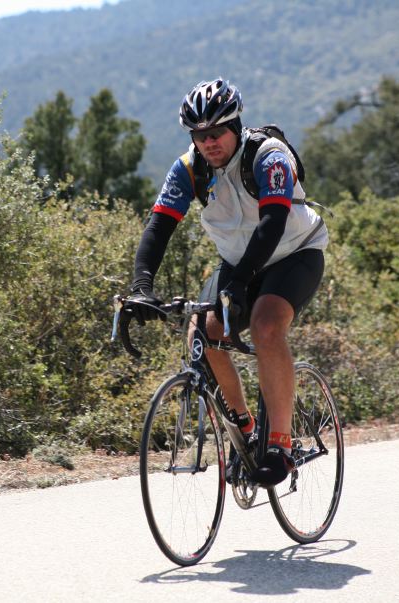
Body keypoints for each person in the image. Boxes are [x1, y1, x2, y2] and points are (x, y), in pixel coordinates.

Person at [126, 78, 328, 486]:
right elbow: (159, 227)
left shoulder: (269, 157)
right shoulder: (188, 169)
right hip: (239, 262)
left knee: (267, 325)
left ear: (236, 127)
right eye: (199, 135)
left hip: (295, 252)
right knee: (202, 332)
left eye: (216, 132)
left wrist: (239, 285)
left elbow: (271, 225)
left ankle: (280, 444)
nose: (208, 143)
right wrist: (141, 286)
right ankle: (246, 428)